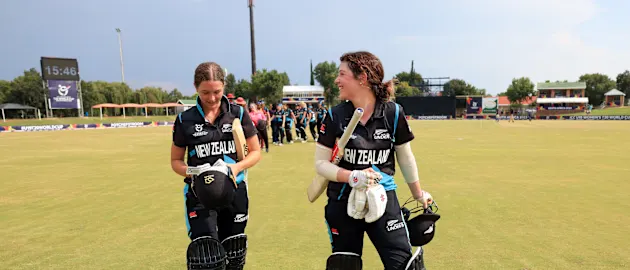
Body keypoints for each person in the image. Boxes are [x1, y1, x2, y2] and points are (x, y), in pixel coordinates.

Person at [314, 51, 431, 269]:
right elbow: (321, 164)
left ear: (362, 77)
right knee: (344, 265)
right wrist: (352, 176)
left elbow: (405, 158)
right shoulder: (334, 116)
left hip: (384, 199)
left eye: (342, 74)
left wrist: (418, 194)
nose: (336, 80)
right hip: (343, 201)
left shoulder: (393, 113)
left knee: (404, 265)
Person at [171, 62, 262, 270]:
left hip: (235, 192)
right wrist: (196, 172)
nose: (212, 98)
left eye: (217, 92)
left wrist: (235, 168)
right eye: (205, 92)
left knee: (234, 257)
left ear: (224, 86)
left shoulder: (238, 114)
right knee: (206, 258)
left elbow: (255, 152)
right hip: (199, 195)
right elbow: (176, 162)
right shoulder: (185, 120)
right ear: (195, 87)